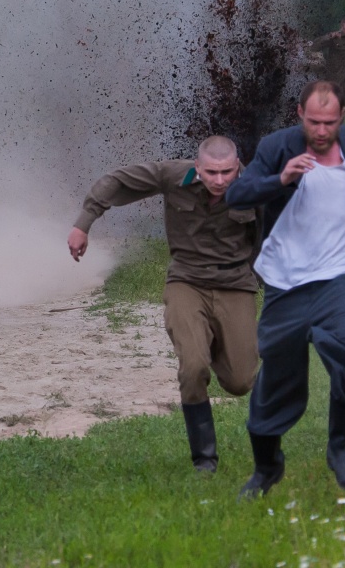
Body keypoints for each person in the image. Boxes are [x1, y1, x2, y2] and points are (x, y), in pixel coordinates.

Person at [227, 80, 345, 498]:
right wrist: (281, 179)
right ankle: (266, 468)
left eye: (329, 122)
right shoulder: (277, 147)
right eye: (313, 122)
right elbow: (237, 194)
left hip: (338, 277)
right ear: (299, 114)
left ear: (342, 116)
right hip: (286, 282)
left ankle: (339, 448)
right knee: (276, 385)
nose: (321, 131)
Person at [67, 136, 259, 473]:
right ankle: (204, 459)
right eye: (211, 172)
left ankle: (213, 342)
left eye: (226, 172)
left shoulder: (257, 184)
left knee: (241, 381)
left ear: (237, 166)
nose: (218, 180)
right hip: (187, 282)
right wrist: (83, 224)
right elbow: (116, 181)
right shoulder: (174, 176)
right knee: (193, 368)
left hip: (235, 285)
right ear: (198, 167)